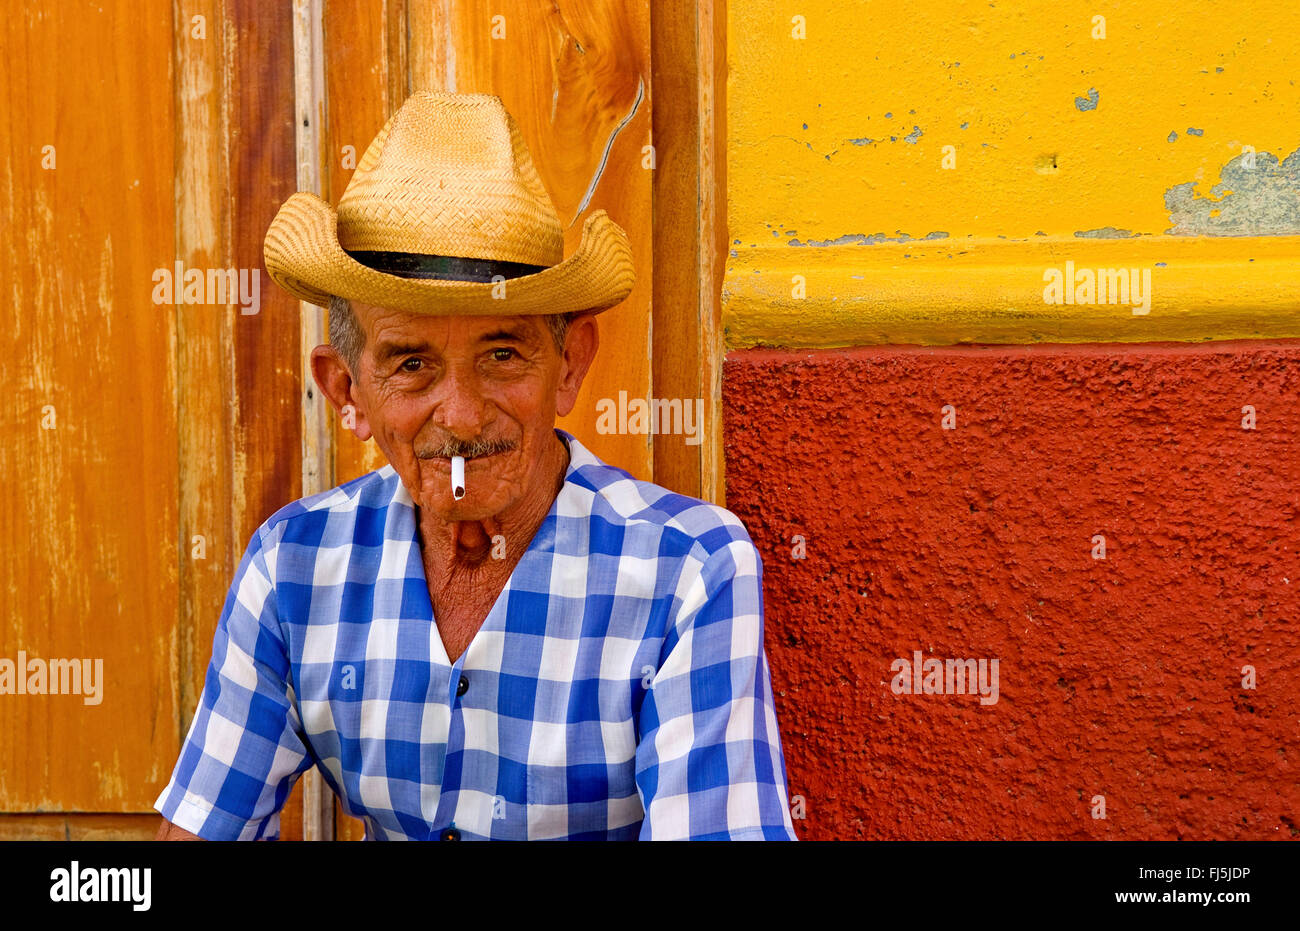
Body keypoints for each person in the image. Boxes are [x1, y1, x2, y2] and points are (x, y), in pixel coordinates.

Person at [153, 91, 796, 840]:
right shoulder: (293, 568)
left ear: (569, 365)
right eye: (412, 363)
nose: (460, 414)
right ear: (346, 389)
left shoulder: (686, 572)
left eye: (501, 354)